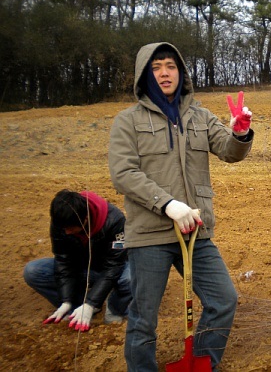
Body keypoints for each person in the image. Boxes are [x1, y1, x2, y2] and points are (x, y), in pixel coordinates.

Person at [108, 42, 254, 371]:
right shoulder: (128, 121)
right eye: (156, 67)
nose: (164, 73)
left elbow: (229, 151)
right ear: (145, 74)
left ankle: (202, 363)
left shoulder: (200, 117)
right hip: (150, 233)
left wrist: (240, 134)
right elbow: (123, 173)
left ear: (181, 73)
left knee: (223, 300)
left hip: (195, 231)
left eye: (170, 66)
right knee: (144, 317)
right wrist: (167, 204)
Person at [23, 189, 131, 332]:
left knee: (130, 278)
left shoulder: (115, 221)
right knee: (33, 271)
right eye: (64, 228)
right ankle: (76, 308)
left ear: (85, 218)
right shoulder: (62, 221)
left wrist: (91, 303)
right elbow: (63, 261)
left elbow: (114, 265)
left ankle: (114, 308)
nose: (66, 232)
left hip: (112, 268)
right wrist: (66, 301)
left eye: (71, 228)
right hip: (83, 268)